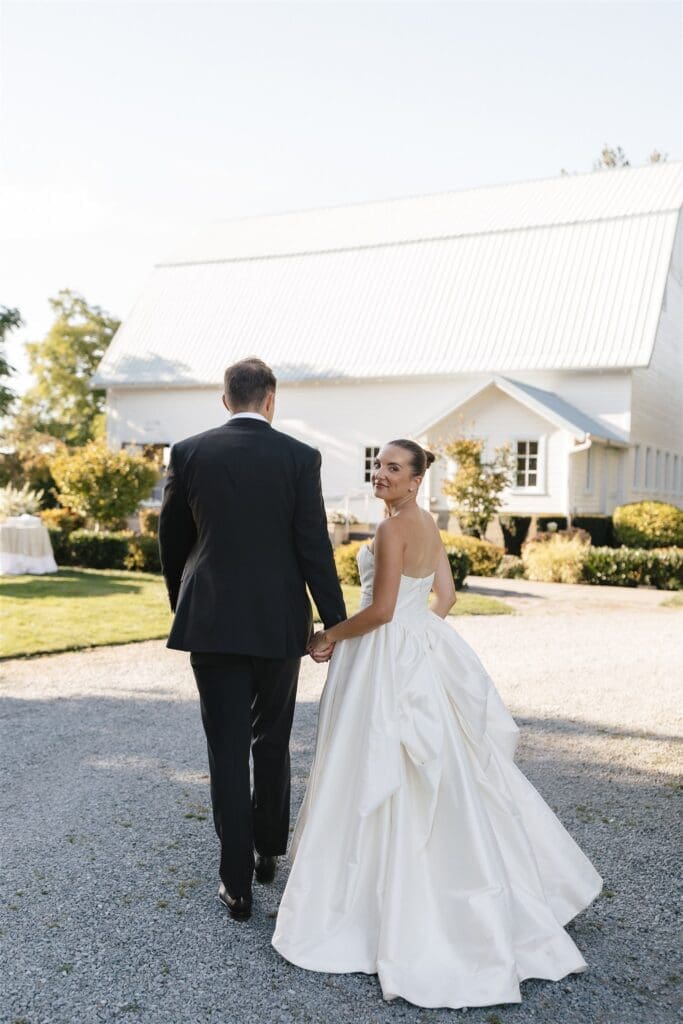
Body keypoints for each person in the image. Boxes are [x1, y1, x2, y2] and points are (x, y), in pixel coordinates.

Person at [272, 439, 602, 1010]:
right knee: (446, 769)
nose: (382, 475)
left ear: (416, 478)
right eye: (379, 466)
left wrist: (328, 635)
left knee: (375, 762)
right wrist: (416, 637)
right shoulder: (427, 523)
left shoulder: (391, 529)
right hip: (417, 650)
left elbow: (378, 610)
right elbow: (444, 597)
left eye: (393, 469)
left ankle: (372, 909)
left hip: (383, 655)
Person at [159, 357, 346, 922]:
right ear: (271, 400)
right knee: (272, 738)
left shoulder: (188, 452)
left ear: (225, 400)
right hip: (278, 623)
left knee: (225, 750)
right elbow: (313, 544)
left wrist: (184, 603)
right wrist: (332, 623)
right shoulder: (299, 456)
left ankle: (235, 882)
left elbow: (173, 541)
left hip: (211, 622)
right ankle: (268, 850)